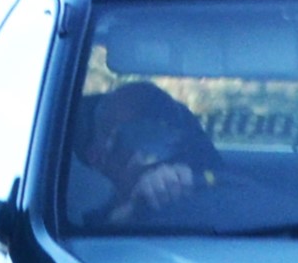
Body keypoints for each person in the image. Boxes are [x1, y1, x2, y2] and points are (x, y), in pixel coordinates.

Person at [72, 82, 219, 223]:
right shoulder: (72, 204)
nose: (95, 155)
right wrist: (132, 209)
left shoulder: (205, 189)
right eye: (104, 132)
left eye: (122, 137)